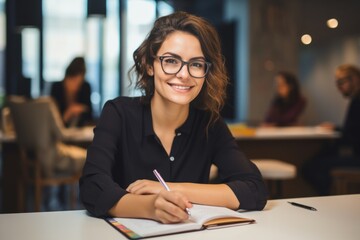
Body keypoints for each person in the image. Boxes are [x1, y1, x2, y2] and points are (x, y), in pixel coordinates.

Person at [79, 11, 267, 223]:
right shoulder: (118, 113)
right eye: (171, 61)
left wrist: (167, 188)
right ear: (149, 65)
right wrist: (150, 207)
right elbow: (92, 186)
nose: (184, 74)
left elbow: (254, 189)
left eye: (196, 64)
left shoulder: (209, 123)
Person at [302, 64, 360, 195]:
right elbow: (354, 130)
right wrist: (336, 128)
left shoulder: (357, 101)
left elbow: (352, 137)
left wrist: (338, 132)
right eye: (336, 83)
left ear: (355, 79)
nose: (338, 87)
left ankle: (328, 199)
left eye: (341, 82)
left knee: (310, 168)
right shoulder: (356, 100)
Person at [50, 56, 93, 128]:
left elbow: (89, 116)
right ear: (66, 78)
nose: (76, 87)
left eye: (79, 83)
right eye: (73, 81)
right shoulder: (57, 88)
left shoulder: (85, 87)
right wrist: (68, 114)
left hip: (80, 132)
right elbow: (52, 123)